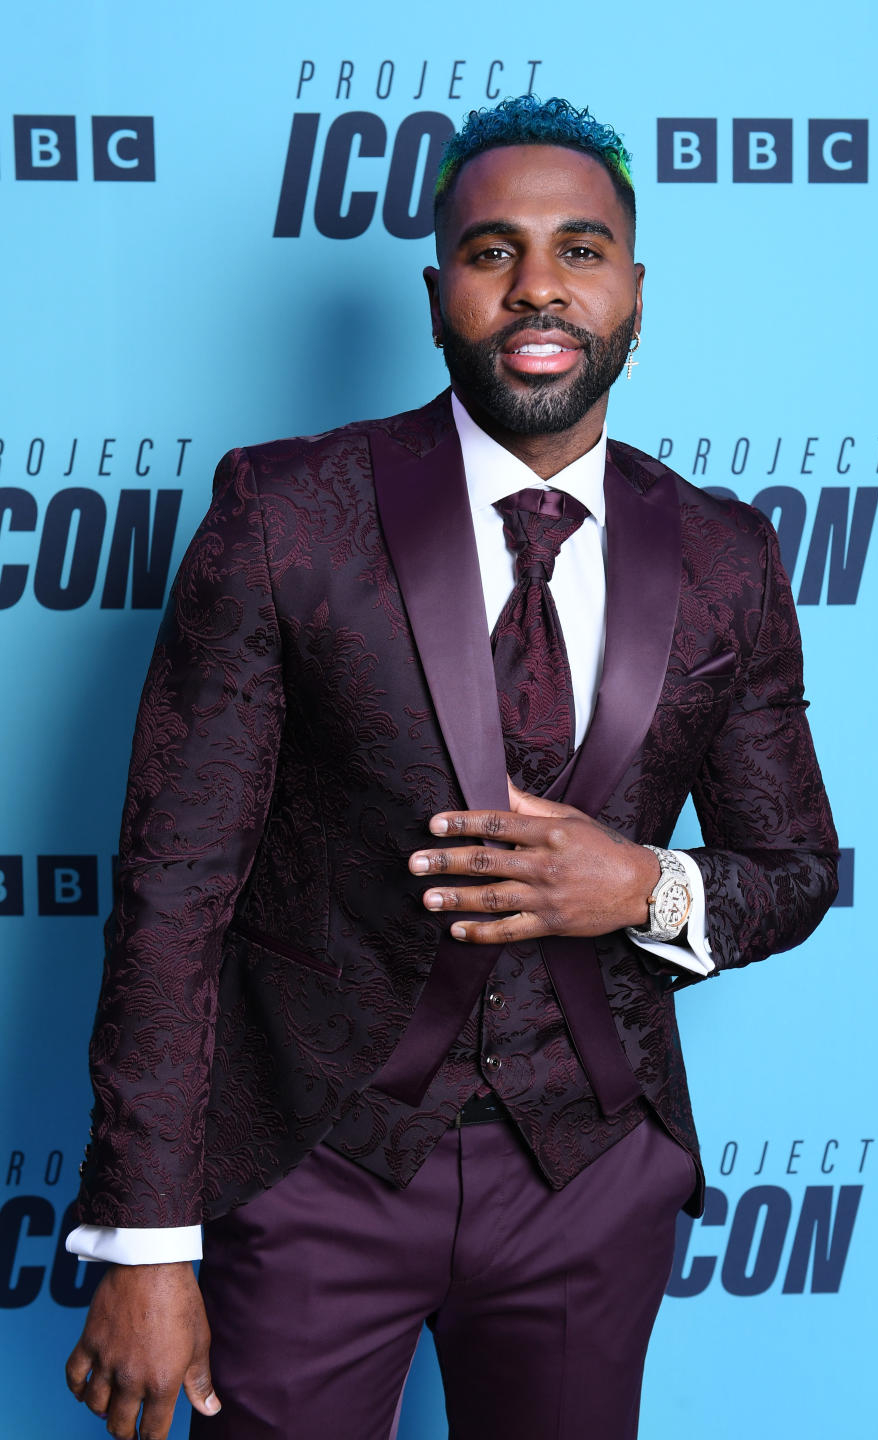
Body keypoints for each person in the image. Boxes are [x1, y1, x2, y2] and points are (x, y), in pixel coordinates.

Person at [64, 96, 838, 1440]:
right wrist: (144, 1239)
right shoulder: (283, 512)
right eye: (493, 252)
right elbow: (174, 890)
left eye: (581, 250)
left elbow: (793, 869)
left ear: (636, 293)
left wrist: (644, 887)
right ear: (437, 295)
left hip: (593, 1178)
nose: (539, 284)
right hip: (313, 1164)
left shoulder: (729, 555)